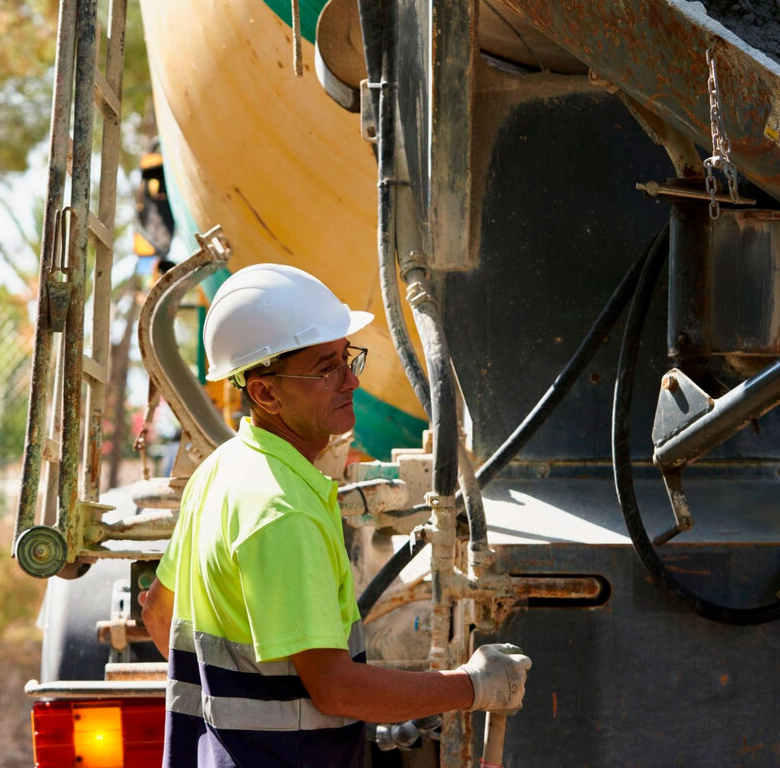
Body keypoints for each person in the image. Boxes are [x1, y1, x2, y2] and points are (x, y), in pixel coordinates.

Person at [142, 263, 531, 768]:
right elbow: (335, 690)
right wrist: (472, 686)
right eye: (327, 368)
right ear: (265, 392)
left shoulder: (219, 472)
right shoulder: (281, 510)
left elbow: (158, 613)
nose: (351, 380)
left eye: (347, 359)